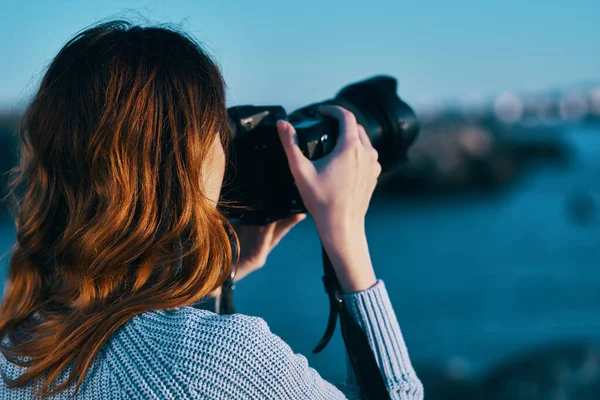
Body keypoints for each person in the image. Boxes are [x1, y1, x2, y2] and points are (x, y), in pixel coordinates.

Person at [0, 21, 423, 400]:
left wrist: (208, 282)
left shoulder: (19, 343)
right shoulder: (215, 366)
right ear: (191, 163)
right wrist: (345, 232)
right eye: (218, 130)